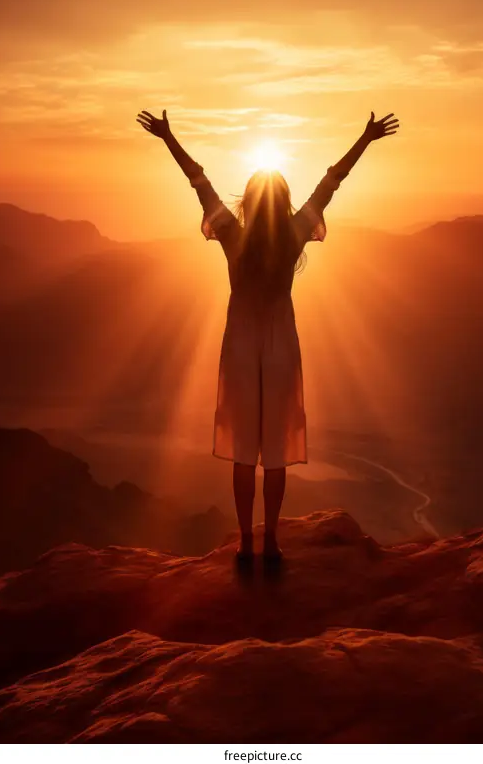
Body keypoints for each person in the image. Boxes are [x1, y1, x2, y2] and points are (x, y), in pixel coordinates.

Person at [136, 107, 399, 563]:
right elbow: (331, 182)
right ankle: (272, 542)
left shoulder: (232, 234)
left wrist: (168, 137)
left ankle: (245, 543)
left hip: (239, 344)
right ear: (282, 201)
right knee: (274, 451)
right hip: (280, 346)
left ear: (250, 201)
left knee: (243, 452)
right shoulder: (294, 232)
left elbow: (198, 180)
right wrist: (366, 137)